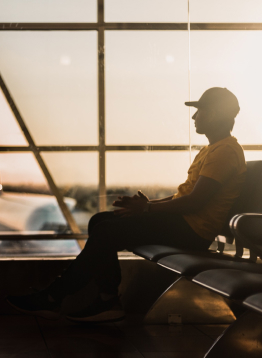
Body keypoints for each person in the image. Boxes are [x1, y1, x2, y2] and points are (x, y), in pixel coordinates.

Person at [7, 87, 246, 323]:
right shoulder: (212, 150)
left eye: (200, 111)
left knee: (106, 230)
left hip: (193, 231)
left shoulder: (224, 151)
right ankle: (106, 299)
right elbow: (184, 197)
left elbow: (195, 202)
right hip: (185, 224)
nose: (194, 117)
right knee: (99, 220)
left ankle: (55, 296)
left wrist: (148, 209)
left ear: (213, 114)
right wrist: (146, 205)